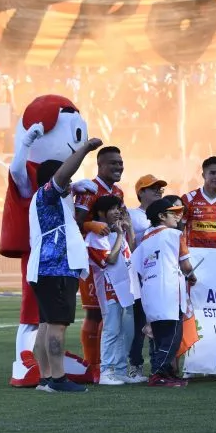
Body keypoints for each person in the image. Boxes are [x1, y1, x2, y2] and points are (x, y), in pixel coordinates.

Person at [30, 137, 104, 394]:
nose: (71, 182)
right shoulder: (48, 195)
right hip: (56, 267)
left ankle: (46, 378)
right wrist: (84, 149)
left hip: (46, 268)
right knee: (57, 325)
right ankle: (58, 379)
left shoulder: (48, 200)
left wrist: (76, 194)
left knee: (46, 324)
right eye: (68, 180)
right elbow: (63, 174)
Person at [73, 145, 125, 372]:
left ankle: (109, 364)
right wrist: (90, 225)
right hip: (92, 259)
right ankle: (92, 365)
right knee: (94, 311)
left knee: (114, 311)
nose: (118, 167)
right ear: (100, 165)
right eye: (113, 163)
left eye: (120, 163)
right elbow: (74, 222)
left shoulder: (119, 193)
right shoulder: (88, 189)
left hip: (113, 255)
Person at [135, 198, 196, 387]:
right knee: (173, 335)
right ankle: (159, 373)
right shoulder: (175, 234)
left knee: (160, 335)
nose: (178, 216)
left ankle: (164, 372)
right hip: (169, 291)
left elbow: (137, 267)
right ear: (161, 216)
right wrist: (191, 275)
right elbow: (186, 265)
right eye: (174, 212)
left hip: (149, 292)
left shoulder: (144, 239)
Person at [85, 195, 143, 385]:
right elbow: (109, 260)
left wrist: (128, 228)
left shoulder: (117, 232)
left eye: (119, 208)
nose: (118, 211)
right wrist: (119, 235)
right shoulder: (95, 237)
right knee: (111, 330)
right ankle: (106, 371)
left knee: (124, 332)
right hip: (108, 291)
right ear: (101, 213)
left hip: (125, 289)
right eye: (113, 208)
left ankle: (119, 370)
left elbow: (132, 250)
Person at [126, 174, 167, 380]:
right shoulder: (131, 214)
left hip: (160, 275)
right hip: (139, 276)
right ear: (140, 192)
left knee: (161, 321)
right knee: (139, 323)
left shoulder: (165, 215)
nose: (158, 190)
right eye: (153, 188)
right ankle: (135, 364)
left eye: (160, 188)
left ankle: (159, 365)